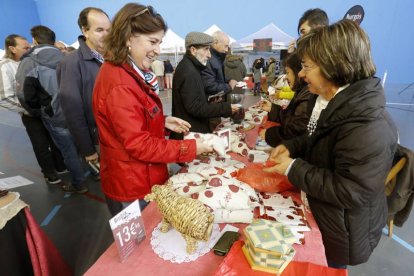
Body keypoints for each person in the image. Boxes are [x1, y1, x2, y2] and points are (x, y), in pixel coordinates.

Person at [265, 20, 398, 268]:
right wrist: (294, 147)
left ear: (332, 66)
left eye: (307, 67)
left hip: (341, 231)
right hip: (326, 215)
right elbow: (321, 139)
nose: (302, 74)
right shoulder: (343, 103)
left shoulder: (366, 125)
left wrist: (293, 168)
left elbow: (351, 190)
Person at [92, 3, 213, 216]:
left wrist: (162, 120)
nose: (157, 50)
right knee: (142, 243)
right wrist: (191, 148)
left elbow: (133, 117)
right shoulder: (119, 82)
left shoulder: (128, 71)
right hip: (132, 184)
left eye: (160, 42)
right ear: (129, 38)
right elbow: (138, 144)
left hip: (140, 176)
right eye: (153, 42)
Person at [19, 25, 88, 194]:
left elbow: (24, 96)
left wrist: (38, 112)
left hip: (55, 115)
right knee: (83, 145)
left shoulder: (29, 62)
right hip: (78, 112)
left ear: (35, 40)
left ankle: (79, 183)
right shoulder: (70, 57)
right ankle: (95, 172)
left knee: (68, 151)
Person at [4, 34, 67, 185]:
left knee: (55, 139)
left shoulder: (30, 60)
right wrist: (28, 109)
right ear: (12, 48)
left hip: (46, 109)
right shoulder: (5, 67)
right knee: (41, 145)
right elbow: (5, 97)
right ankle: (49, 173)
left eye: (29, 47)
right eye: (25, 48)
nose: (29, 50)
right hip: (31, 114)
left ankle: (60, 165)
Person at [57, 7, 111, 174]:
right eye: (100, 30)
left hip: (122, 136)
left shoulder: (115, 58)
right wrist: (88, 149)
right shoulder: (71, 63)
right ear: (85, 31)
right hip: (99, 140)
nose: (107, 35)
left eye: (109, 30)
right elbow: (73, 111)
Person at [170, 32, 238, 139]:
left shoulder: (192, 67)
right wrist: (225, 108)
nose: (209, 55)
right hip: (190, 134)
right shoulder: (189, 71)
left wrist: (209, 99)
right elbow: (195, 108)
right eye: (206, 49)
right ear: (193, 50)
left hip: (192, 130)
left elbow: (193, 98)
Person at [259, 53, 311, 147]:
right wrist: (272, 108)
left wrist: (269, 134)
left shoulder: (307, 95)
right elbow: (289, 117)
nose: (302, 74)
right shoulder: (300, 92)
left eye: (287, 72)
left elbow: (295, 131)